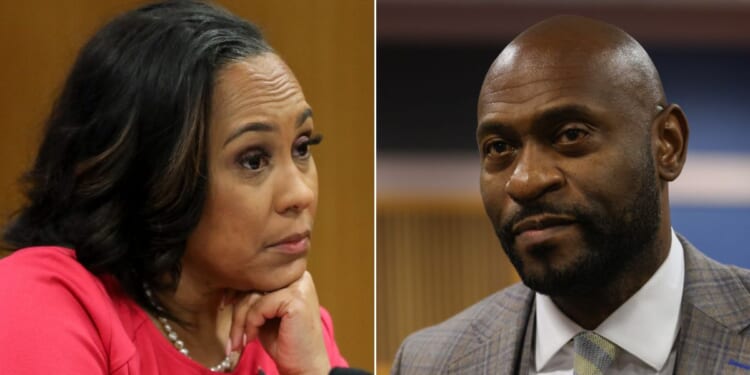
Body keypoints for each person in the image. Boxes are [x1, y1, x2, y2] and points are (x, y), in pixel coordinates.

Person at [0, 1, 355, 374]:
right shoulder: (39, 301)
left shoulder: (291, 322)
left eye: (302, 148)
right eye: (253, 160)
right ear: (152, 175)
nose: (301, 195)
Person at [392, 15, 750, 374]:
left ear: (667, 145)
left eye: (570, 135)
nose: (525, 181)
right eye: (500, 147)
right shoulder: (428, 362)